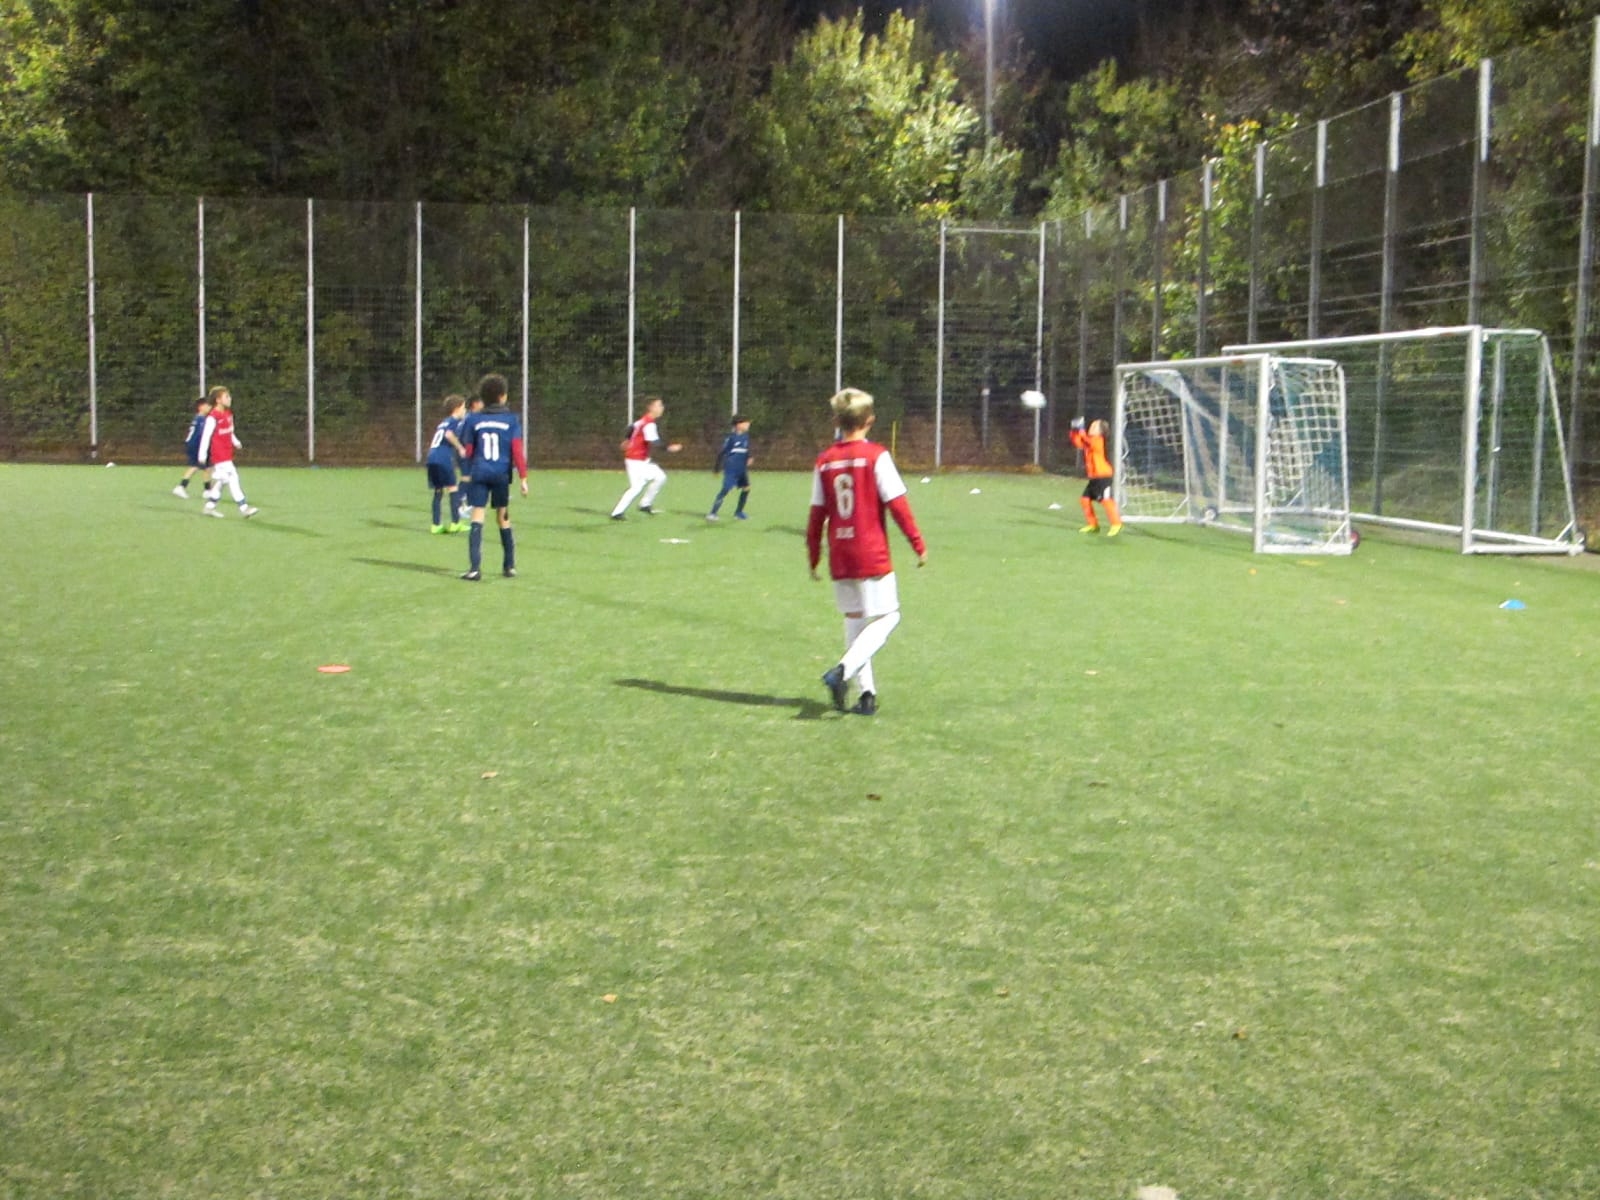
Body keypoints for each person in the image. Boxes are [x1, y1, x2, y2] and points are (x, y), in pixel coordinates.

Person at [807, 387, 927, 716]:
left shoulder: (824, 460)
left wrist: (813, 555)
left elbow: (817, 515)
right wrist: (917, 543)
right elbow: (898, 505)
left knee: (855, 621)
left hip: (841, 553)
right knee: (890, 616)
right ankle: (842, 672)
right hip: (870, 551)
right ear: (870, 420)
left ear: (836, 421)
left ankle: (867, 695)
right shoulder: (876, 456)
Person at [457, 372, 528, 581]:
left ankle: (474, 569)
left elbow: (468, 451)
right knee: (503, 516)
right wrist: (523, 478)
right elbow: (517, 451)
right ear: (503, 396)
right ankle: (509, 566)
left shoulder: (474, 419)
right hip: (501, 475)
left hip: (479, 473)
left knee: (477, 516)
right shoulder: (511, 420)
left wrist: (469, 466)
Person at [609, 396, 681, 519]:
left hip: (641, 459)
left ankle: (645, 504)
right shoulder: (649, 424)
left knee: (660, 477)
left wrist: (627, 440)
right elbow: (654, 442)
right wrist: (669, 448)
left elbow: (631, 428)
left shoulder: (644, 420)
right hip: (636, 460)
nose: (662, 408)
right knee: (637, 487)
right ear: (651, 407)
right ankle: (617, 513)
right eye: (659, 405)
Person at [196, 385, 258, 518]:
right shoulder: (213, 417)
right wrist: (202, 454)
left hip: (227, 453)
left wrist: (235, 441)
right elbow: (206, 436)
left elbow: (230, 431)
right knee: (233, 477)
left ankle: (209, 506)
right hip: (219, 455)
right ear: (218, 400)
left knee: (222, 481)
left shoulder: (228, 414)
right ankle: (244, 507)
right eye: (226, 396)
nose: (230, 399)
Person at [1068, 416, 1122, 535]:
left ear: (1100, 431)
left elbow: (1089, 442)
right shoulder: (1088, 439)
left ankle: (1116, 524)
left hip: (1104, 476)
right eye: (1091, 425)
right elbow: (1078, 443)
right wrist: (1074, 431)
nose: (1090, 427)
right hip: (1094, 477)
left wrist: (1081, 431)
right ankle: (1093, 525)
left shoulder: (1098, 440)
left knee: (1106, 500)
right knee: (1084, 500)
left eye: (1094, 426)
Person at [425, 394, 468, 533]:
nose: (465, 410)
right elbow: (449, 435)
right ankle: (455, 523)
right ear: (456, 409)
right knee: (453, 488)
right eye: (463, 407)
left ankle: (435, 525)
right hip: (443, 458)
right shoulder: (454, 421)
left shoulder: (442, 423)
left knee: (438, 490)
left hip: (431, 457)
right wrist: (460, 448)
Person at [706, 414, 753, 521]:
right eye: (746, 423)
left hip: (741, 469)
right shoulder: (731, 438)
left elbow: (746, 449)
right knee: (726, 489)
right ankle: (712, 513)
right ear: (738, 425)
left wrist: (749, 457)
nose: (748, 425)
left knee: (746, 488)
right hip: (731, 468)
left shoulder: (746, 436)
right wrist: (716, 469)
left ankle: (739, 512)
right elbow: (721, 453)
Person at [171, 395, 214, 498]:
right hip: (196, 445)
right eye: (207, 405)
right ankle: (181, 487)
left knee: (207, 467)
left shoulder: (200, 419)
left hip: (196, 445)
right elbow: (201, 435)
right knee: (195, 466)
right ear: (201, 407)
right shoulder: (201, 420)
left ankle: (207, 490)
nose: (210, 407)